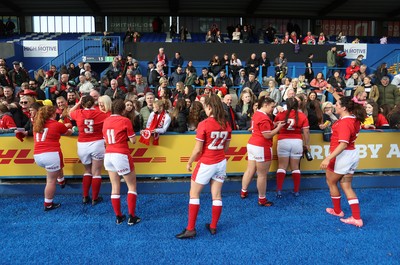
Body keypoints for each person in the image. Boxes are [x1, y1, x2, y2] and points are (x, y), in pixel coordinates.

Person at [176, 94, 232, 239]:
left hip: (207, 162)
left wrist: (189, 162)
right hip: (221, 162)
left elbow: (198, 150)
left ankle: (190, 229)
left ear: (208, 107)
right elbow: (226, 148)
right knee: (217, 196)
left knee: (194, 194)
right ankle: (213, 226)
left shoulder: (204, 124)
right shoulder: (226, 124)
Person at [320, 96, 367, 227]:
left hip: (342, 156)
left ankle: (337, 211)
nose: (335, 105)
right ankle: (356, 218)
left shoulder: (345, 122)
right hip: (352, 155)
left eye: (337, 104)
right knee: (346, 185)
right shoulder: (354, 119)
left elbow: (342, 144)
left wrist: (328, 158)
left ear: (344, 107)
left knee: (331, 182)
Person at [240, 96, 286, 206]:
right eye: (272, 106)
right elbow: (267, 135)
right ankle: (262, 199)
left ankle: (243, 191)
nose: (273, 109)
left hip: (252, 144)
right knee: (262, 175)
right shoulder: (264, 118)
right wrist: (278, 128)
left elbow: (261, 127)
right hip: (261, 146)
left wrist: (273, 125)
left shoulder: (257, 113)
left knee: (250, 169)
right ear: (265, 105)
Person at [102, 99, 141, 225]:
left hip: (108, 154)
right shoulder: (125, 120)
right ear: (123, 110)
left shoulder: (106, 120)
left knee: (115, 186)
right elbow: (133, 140)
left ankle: (118, 216)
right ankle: (132, 216)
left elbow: (105, 140)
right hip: (121, 154)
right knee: (132, 186)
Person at [69, 95, 110, 205]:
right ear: (94, 103)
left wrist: (78, 104)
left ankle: (85, 196)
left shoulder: (78, 113)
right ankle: (94, 198)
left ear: (83, 103)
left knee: (87, 171)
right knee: (96, 172)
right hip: (97, 143)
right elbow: (110, 114)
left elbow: (69, 112)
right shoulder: (100, 113)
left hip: (82, 144)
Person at [33, 105, 73, 211]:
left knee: (56, 165)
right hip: (50, 154)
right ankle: (48, 204)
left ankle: (61, 180)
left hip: (37, 155)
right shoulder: (56, 124)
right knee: (50, 181)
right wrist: (68, 127)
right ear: (53, 114)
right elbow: (68, 133)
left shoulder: (36, 124)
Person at [274, 98, 310, 198]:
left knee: (282, 166)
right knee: (295, 167)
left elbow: (274, 126)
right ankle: (296, 190)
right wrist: (307, 144)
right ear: (297, 105)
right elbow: (306, 131)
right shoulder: (302, 115)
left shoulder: (281, 114)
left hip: (283, 141)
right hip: (297, 141)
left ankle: (279, 190)